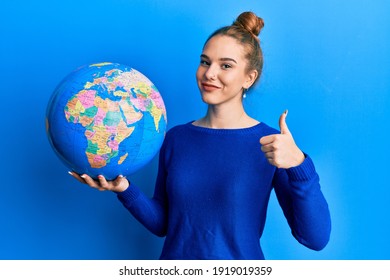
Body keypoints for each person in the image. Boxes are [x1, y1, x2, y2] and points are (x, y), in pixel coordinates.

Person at [70, 11, 331, 260]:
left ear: (249, 78)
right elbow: (164, 224)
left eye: (225, 65)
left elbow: (315, 238)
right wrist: (125, 190)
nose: (209, 74)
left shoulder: (271, 145)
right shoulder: (176, 139)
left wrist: (299, 165)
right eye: (205, 61)